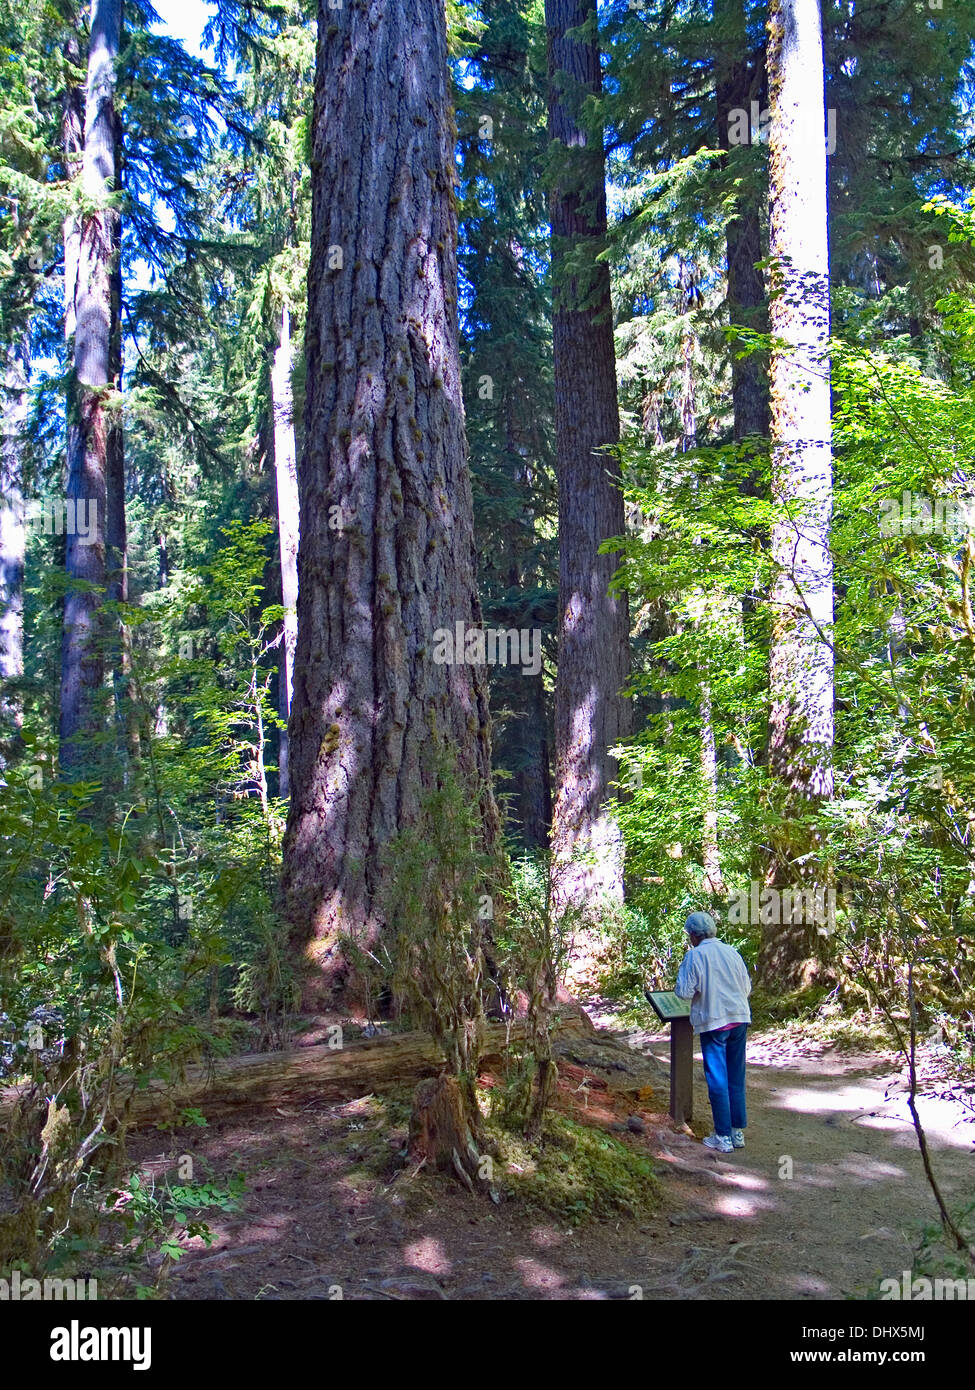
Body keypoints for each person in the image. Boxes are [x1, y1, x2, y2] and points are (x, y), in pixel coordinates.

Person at [674, 911, 751, 1154]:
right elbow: (746, 986)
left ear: (694, 935)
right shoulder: (732, 952)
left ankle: (722, 1136)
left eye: (689, 935)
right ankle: (736, 1132)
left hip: (714, 1021)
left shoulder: (695, 956)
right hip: (739, 1018)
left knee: (717, 1079)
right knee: (735, 1077)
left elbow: (684, 992)